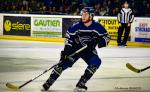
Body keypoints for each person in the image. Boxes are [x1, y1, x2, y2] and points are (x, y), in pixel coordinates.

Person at [42, 7, 110, 92]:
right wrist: (66, 52)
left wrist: (98, 41)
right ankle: (49, 81)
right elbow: (68, 39)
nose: (83, 16)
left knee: (96, 62)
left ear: (91, 16)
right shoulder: (76, 26)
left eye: (86, 14)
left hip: (88, 51)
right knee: (63, 63)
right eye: (82, 14)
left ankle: (81, 83)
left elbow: (107, 38)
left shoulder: (98, 27)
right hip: (74, 49)